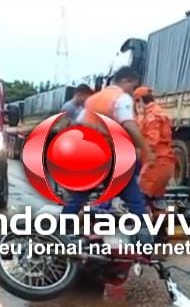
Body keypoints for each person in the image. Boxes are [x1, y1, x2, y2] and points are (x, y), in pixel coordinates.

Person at [62, 67, 154, 219]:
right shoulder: (121, 98)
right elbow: (129, 125)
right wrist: (146, 150)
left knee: (78, 198)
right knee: (135, 200)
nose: (133, 91)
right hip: (112, 157)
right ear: (125, 81)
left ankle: (57, 234)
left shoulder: (93, 99)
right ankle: (145, 236)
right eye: (133, 87)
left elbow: (78, 125)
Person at [134, 86, 176, 200]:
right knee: (156, 201)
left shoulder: (151, 116)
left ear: (140, 100)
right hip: (165, 162)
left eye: (137, 102)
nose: (137, 106)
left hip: (155, 163)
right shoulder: (159, 113)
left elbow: (152, 141)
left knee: (141, 198)